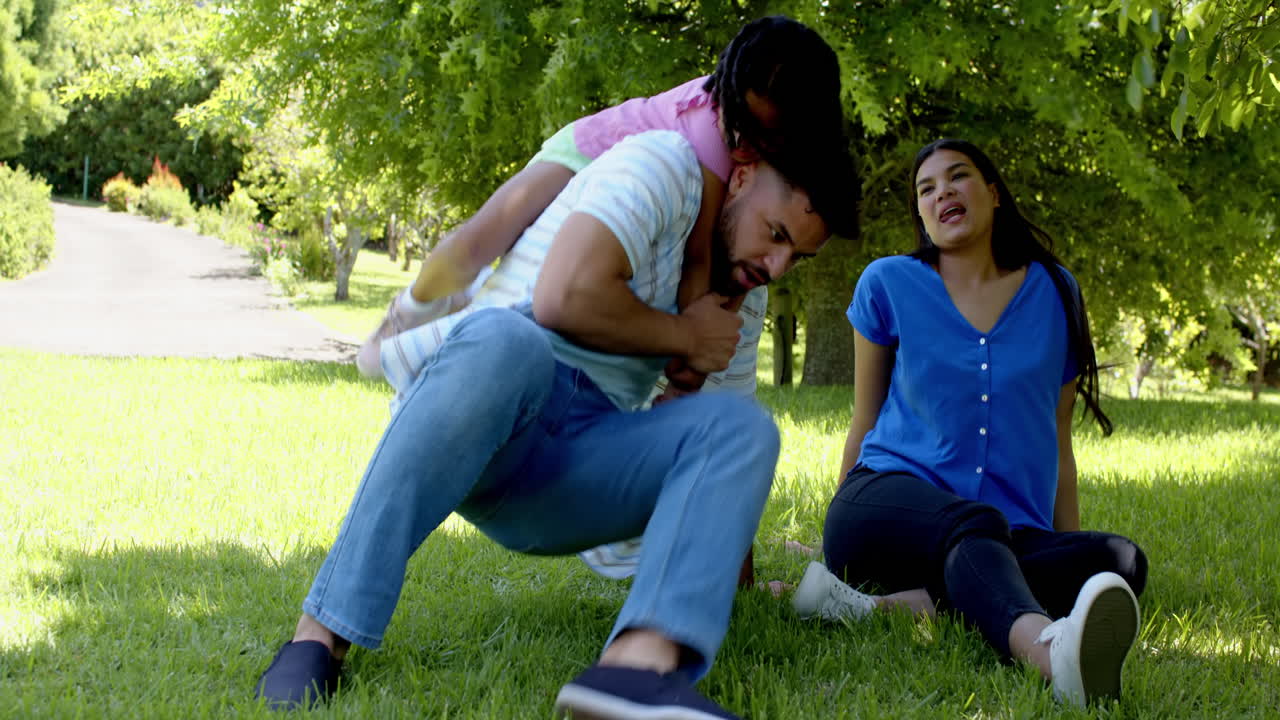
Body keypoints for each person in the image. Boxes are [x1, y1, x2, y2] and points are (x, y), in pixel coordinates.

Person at [254, 128, 858, 718]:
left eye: (797, 258)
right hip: (482, 418)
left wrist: (732, 577)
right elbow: (561, 299)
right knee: (509, 338)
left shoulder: (743, 303)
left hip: (576, 470)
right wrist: (683, 334)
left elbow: (709, 457)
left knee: (743, 426)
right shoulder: (662, 168)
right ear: (742, 177)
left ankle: (638, 670)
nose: (777, 266)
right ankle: (318, 636)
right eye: (775, 234)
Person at [792, 139, 1148, 708]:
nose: (942, 193)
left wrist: (1063, 542)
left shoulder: (1057, 291)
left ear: (994, 193)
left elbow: (1059, 439)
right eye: (926, 189)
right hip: (884, 506)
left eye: (958, 177)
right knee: (977, 524)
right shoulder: (887, 282)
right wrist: (830, 544)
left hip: (1005, 532)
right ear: (920, 213)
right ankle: (1048, 652)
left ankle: (876, 609)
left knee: (1118, 563)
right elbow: (865, 418)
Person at [355, 15, 845, 401]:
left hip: (635, 186)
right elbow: (700, 258)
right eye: (743, 124)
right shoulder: (713, 126)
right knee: (479, 241)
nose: (745, 143)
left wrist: (709, 341)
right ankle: (409, 312)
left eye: (768, 137)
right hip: (589, 149)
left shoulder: (776, 144)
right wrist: (694, 345)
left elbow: (728, 279)